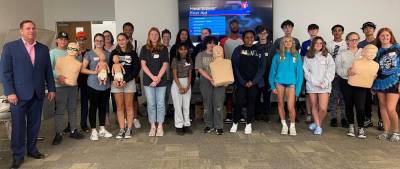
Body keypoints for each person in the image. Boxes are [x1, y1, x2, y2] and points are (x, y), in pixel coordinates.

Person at [1, 20, 56, 169]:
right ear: (21, 31)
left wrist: (51, 89)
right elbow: (5, 73)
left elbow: (48, 72)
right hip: (17, 96)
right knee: (18, 127)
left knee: (34, 125)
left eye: (33, 28)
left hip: (37, 94)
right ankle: (17, 156)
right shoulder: (10, 48)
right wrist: (10, 92)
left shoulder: (43, 49)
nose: (31, 31)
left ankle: (32, 150)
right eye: (27, 28)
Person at [50, 33, 84, 145]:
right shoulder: (53, 53)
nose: (63, 41)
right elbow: (49, 68)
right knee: (60, 111)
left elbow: (78, 65)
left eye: (65, 39)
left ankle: (73, 130)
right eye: (61, 39)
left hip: (72, 85)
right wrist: (58, 76)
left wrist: (79, 55)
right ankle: (58, 133)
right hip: (60, 86)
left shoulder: (71, 51)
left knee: (73, 108)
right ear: (57, 40)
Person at [230, 30, 266, 134]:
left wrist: (253, 82)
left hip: (254, 83)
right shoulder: (238, 49)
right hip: (241, 82)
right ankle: (235, 122)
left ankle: (248, 123)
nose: (249, 39)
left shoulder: (259, 50)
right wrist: (242, 81)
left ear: (254, 38)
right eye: (247, 37)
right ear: (243, 38)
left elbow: (262, 68)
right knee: (238, 102)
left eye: (251, 37)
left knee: (251, 103)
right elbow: (235, 66)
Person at [81, 33, 113, 141]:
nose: (99, 42)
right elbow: (83, 69)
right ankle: (94, 130)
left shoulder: (108, 54)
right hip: (93, 85)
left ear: (104, 42)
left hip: (105, 85)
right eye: (97, 40)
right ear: (94, 41)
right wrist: (94, 72)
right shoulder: (89, 54)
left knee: (103, 107)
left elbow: (110, 68)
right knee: (93, 107)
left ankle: (102, 129)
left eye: (101, 40)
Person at [269, 36, 303, 136]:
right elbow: (272, 72)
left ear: (293, 43)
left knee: (290, 106)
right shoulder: (277, 56)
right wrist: (272, 86)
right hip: (279, 83)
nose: (288, 43)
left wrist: (298, 90)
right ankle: (284, 125)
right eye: (286, 41)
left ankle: (292, 126)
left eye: (290, 41)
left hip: (291, 84)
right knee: (280, 104)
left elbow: (300, 74)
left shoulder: (297, 56)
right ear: (282, 43)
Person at [336, 32, 368, 138]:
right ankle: (350, 126)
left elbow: (369, 66)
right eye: (351, 40)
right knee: (349, 105)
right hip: (346, 82)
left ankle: (361, 128)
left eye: (356, 39)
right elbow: (338, 69)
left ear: (358, 40)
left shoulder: (364, 53)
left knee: (360, 107)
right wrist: (346, 72)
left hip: (361, 83)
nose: (354, 42)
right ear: (347, 41)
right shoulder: (342, 54)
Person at [140, 27, 169, 137]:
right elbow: (143, 65)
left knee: (160, 104)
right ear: (149, 36)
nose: (154, 36)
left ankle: (160, 126)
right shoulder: (144, 48)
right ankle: (153, 126)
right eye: (152, 34)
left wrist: (158, 78)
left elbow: (165, 65)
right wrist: (153, 78)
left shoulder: (164, 48)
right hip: (149, 81)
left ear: (159, 36)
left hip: (161, 81)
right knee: (151, 104)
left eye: (156, 34)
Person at [372, 28, 400, 142]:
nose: (385, 37)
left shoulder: (397, 48)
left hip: (394, 81)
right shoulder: (376, 51)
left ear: (391, 36)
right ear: (378, 37)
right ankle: (386, 132)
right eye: (382, 35)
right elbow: (373, 68)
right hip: (380, 82)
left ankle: (396, 132)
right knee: (382, 107)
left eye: (387, 35)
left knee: (391, 108)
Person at [110, 33, 140, 139]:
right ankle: (122, 128)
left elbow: (136, 69)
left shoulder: (133, 53)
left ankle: (129, 129)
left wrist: (126, 80)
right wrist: (112, 80)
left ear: (127, 40)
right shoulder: (114, 52)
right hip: (116, 83)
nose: (121, 42)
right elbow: (109, 69)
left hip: (129, 82)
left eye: (123, 39)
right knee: (119, 106)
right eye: (119, 40)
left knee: (129, 106)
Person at [303, 36, 335, 135]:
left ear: (323, 45)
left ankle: (317, 124)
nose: (318, 45)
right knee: (314, 105)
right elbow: (306, 72)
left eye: (320, 43)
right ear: (313, 45)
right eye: (316, 43)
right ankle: (318, 126)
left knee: (323, 108)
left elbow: (331, 71)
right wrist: (315, 82)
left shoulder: (327, 56)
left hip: (324, 86)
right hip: (312, 85)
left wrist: (325, 82)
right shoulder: (308, 56)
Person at [195, 36, 225, 135]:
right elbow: (199, 69)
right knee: (207, 105)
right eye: (209, 43)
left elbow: (224, 67)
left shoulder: (219, 55)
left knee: (218, 104)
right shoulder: (200, 55)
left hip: (219, 82)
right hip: (206, 82)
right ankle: (209, 125)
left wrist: (216, 79)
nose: (212, 45)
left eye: (214, 43)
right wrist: (211, 79)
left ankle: (219, 126)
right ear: (206, 44)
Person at [358, 21, 381, 129]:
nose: (368, 30)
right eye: (366, 28)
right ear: (363, 30)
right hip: (365, 75)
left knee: (379, 98)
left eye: (371, 28)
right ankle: (368, 118)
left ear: (374, 29)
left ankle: (381, 120)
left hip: (379, 74)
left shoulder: (379, 41)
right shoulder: (360, 44)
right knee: (366, 98)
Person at [220, 19, 243, 124]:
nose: (234, 27)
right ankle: (229, 114)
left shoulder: (243, 39)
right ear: (230, 27)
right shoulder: (224, 40)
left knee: (240, 93)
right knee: (229, 94)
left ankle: (240, 114)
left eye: (236, 25)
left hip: (241, 70)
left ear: (238, 26)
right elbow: (220, 56)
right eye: (232, 25)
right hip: (227, 70)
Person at [326, 24, 348, 128]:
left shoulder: (347, 44)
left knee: (344, 97)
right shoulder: (328, 45)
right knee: (334, 97)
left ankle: (344, 118)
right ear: (332, 32)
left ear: (342, 32)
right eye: (335, 31)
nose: (337, 32)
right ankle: (333, 118)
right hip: (333, 75)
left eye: (339, 30)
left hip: (345, 75)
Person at [123, 22, 142, 128]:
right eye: (126, 29)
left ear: (133, 30)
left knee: (134, 98)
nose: (128, 31)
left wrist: (137, 74)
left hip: (134, 75)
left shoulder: (136, 43)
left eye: (130, 29)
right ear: (123, 30)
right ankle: (125, 119)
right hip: (122, 75)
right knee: (124, 97)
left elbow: (139, 61)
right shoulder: (119, 42)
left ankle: (135, 118)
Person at [171, 43, 193, 135]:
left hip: (187, 82)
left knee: (186, 105)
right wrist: (180, 87)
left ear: (187, 50)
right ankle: (179, 125)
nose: (183, 51)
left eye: (185, 49)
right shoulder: (175, 60)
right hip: (177, 83)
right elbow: (174, 74)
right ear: (178, 50)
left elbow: (190, 74)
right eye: (181, 49)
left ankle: (187, 124)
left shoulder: (190, 60)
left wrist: (188, 86)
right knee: (178, 106)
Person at [255, 25, 275, 122]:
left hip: (269, 74)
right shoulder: (255, 46)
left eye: (265, 33)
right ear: (258, 34)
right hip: (258, 75)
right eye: (260, 33)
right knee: (257, 95)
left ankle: (267, 114)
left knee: (267, 95)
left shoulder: (272, 46)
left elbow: (275, 62)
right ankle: (257, 114)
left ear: (267, 34)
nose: (263, 35)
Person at [300, 24, 320, 124]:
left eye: (315, 30)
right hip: (308, 74)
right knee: (309, 94)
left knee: (318, 95)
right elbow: (302, 58)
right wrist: (305, 72)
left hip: (319, 75)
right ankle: (308, 114)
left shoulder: (321, 42)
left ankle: (316, 114)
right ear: (308, 32)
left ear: (318, 31)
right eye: (311, 30)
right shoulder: (305, 44)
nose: (313, 32)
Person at [76, 31, 91, 132]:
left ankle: (84, 124)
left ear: (86, 40)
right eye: (79, 40)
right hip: (74, 81)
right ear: (76, 40)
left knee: (84, 104)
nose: (81, 42)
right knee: (71, 105)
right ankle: (70, 125)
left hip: (86, 81)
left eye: (83, 40)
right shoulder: (72, 52)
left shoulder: (90, 52)